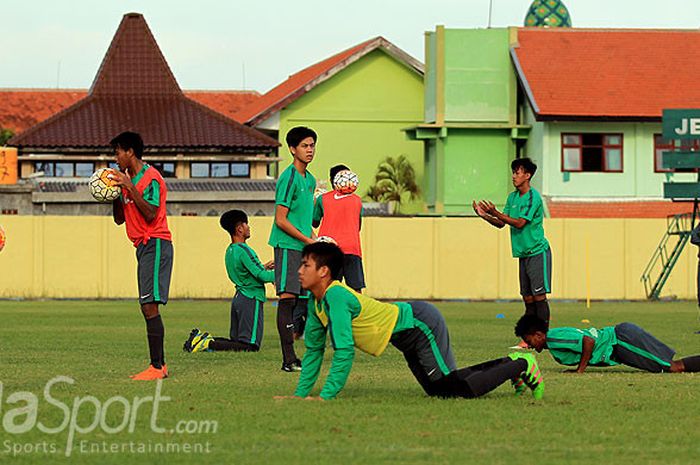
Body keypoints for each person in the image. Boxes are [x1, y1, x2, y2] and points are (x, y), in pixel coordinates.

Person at [277, 242, 545, 401]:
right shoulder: (316, 302)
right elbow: (313, 351)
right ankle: (511, 367)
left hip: (419, 324)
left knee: (454, 389)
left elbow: (344, 351)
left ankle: (522, 363)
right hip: (405, 337)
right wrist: (299, 396)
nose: (299, 271)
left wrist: (325, 398)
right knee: (438, 389)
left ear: (323, 271)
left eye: (305, 265)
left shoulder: (335, 295)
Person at [110, 131, 173, 381]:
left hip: (156, 243)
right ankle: (159, 366)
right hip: (143, 247)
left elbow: (150, 213)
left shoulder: (151, 178)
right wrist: (115, 194)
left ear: (130, 152)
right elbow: (118, 219)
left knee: (149, 305)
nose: (115, 158)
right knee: (146, 305)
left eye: (117, 152)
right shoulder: (129, 179)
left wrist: (129, 187)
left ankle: (157, 367)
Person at [473, 157, 552, 345]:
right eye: (513, 172)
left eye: (517, 173)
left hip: (537, 252)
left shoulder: (533, 197)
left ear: (528, 175)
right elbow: (502, 223)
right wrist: (485, 216)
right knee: (527, 298)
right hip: (523, 254)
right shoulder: (512, 197)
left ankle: (543, 336)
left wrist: (495, 212)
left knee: (539, 297)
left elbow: (519, 223)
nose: (514, 176)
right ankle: (529, 338)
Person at [183, 210, 274, 353]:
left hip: (239, 297)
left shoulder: (230, 251)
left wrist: (264, 266)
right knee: (250, 346)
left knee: (236, 342)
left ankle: (200, 339)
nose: (248, 227)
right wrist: (283, 273)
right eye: (246, 225)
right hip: (251, 298)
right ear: (239, 229)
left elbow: (245, 272)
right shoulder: (245, 250)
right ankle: (208, 344)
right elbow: (261, 275)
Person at [268, 126, 318, 372]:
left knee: (302, 300)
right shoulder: (288, 178)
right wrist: (307, 241)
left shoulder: (309, 180)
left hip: (303, 246)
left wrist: (317, 239)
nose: (309, 150)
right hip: (288, 246)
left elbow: (303, 220)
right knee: (287, 300)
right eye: (304, 146)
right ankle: (288, 360)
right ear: (292, 149)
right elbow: (281, 220)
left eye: (312, 145)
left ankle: (300, 356)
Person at [514, 314, 700, 374]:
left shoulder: (553, 338)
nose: (528, 345)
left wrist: (580, 370)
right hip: (619, 346)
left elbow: (589, 340)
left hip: (620, 340)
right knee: (670, 368)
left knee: (673, 367)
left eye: (529, 340)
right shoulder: (554, 345)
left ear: (538, 334)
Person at [312, 164, 365, 292]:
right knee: (355, 290)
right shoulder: (357, 200)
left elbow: (314, 222)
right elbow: (357, 227)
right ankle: (357, 312)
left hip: (328, 250)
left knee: (328, 288)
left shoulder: (322, 199)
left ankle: (328, 312)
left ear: (332, 181)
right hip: (352, 248)